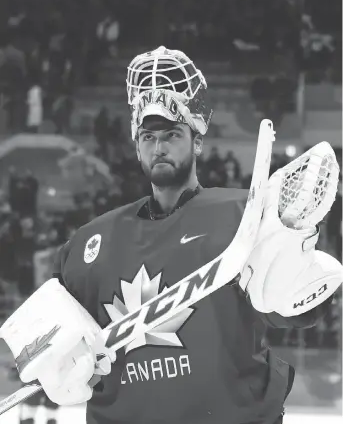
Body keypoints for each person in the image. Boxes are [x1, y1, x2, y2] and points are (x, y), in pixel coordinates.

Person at [1, 47, 342, 424]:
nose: (158, 146)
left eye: (172, 134)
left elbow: (304, 313)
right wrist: (53, 363)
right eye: (147, 136)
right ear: (136, 147)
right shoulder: (88, 243)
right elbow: (36, 338)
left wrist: (292, 280)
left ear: (196, 141)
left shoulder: (242, 216)